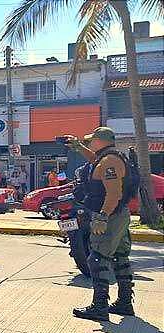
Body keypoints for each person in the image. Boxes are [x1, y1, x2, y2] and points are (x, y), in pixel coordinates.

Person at [65, 127, 135, 321]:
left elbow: (113, 194)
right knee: (120, 257)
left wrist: (102, 216)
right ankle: (124, 302)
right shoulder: (108, 158)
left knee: (98, 258)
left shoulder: (110, 161)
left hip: (110, 216)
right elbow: (94, 161)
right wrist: (78, 147)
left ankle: (100, 307)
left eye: (91, 141)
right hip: (119, 214)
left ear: (100, 141)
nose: (89, 144)